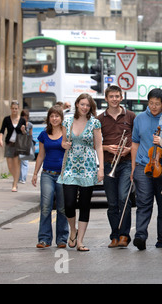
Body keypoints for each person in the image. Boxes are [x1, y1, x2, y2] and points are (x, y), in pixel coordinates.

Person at [57, 93, 104, 252]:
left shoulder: (95, 123)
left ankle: (81, 241)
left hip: (88, 166)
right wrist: (64, 145)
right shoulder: (67, 121)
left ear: (91, 108)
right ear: (77, 104)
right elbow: (63, 142)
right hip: (70, 165)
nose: (85, 107)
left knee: (85, 204)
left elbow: (98, 146)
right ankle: (73, 230)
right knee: (68, 204)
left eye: (88, 105)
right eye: (82, 104)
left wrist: (101, 169)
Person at [131, 88, 162, 250]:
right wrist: (133, 166)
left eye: (157, 104)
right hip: (143, 166)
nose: (154, 107)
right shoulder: (139, 118)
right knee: (143, 202)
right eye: (151, 103)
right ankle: (140, 236)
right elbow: (135, 142)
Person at [97, 85, 136, 248]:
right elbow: (95, 143)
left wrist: (129, 149)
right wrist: (106, 148)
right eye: (111, 96)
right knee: (112, 203)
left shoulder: (131, 116)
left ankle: (124, 236)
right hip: (108, 164)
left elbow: (137, 139)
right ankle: (114, 235)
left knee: (123, 199)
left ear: (121, 98)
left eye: (117, 96)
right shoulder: (99, 119)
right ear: (106, 99)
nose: (114, 99)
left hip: (125, 162)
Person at [32, 105, 69, 248]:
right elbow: (41, 155)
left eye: (57, 116)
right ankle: (44, 239)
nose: (54, 119)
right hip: (47, 173)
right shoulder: (44, 134)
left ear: (61, 118)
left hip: (63, 175)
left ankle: (62, 239)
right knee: (46, 206)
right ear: (49, 118)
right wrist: (35, 173)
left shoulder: (66, 132)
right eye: (52, 116)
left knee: (62, 208)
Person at [0, 100, 27, 192]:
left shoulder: (22, 120)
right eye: (13, 108)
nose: (14, 110)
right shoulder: (7, 119)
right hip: (9, 143)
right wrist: (0, 140)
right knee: (10, 165)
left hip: (18, 144)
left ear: (18, 109)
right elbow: (2, 130)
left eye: (16, 108)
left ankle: (14, 184)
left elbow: (25, 133)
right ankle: (16, 177)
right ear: (10, 109)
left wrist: (23, 130)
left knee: (17, 164)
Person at [19, 109, 33, 184]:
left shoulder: (30, 125)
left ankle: (23, 178)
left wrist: (31, 145)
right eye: (24, 116)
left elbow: (31, 135)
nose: (25, 118)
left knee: (25, 161)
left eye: (26, 116)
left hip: (26, 143)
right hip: (19, 143)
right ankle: (19, 177)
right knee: (19, 161)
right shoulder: (18, 124)